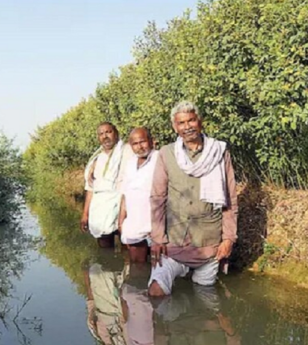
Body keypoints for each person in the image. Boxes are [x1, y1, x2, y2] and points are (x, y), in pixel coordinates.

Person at [147, 101, 238, 297]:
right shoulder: (166, 153)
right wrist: (157, 238)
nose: (187, 126)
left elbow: (229, 199)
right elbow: (157, 197)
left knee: (205, 295)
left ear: (200, 122)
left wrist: (229, 238)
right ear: (175, 127)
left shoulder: (218, 151)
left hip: (208, 240)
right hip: (174, 239)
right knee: (156, 291)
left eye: (191, 120)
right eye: (181, 123)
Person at [81, 122, 133, 248]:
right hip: (100, 209)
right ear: (98, 138)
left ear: (116, 133)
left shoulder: (128, 150)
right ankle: (106, 265)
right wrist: (85, 215)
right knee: (104, 246)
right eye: (101, 134)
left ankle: (129, 266)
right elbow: (91, 188)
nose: (105, 136)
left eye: (108, 132)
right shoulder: (96, 158)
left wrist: (124, 211)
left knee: (127, 244)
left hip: (125, 206)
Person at [117, 127, 158, 263]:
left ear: (151, 141)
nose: (139, 147)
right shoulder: (130, 164)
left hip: (155, 223)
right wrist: (121, 220)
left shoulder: (160, 158)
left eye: (142, 142)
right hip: (134, 222)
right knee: (137, 264)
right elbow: (125, 193)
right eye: (135, 144)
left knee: (158, 265)